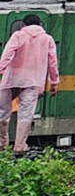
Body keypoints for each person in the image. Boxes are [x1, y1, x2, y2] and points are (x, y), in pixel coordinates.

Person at [0, 15, 59, 155]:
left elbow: (8, 53)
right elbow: (53, 62)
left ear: (24, 25)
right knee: (26, 114)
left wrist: (1, 69)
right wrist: (54, 82)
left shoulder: (18, 35)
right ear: (40, 25)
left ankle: (2, 142)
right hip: (33, 80)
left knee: (2, 111)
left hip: (12, 78)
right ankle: (19, 146)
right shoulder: (47, 39)